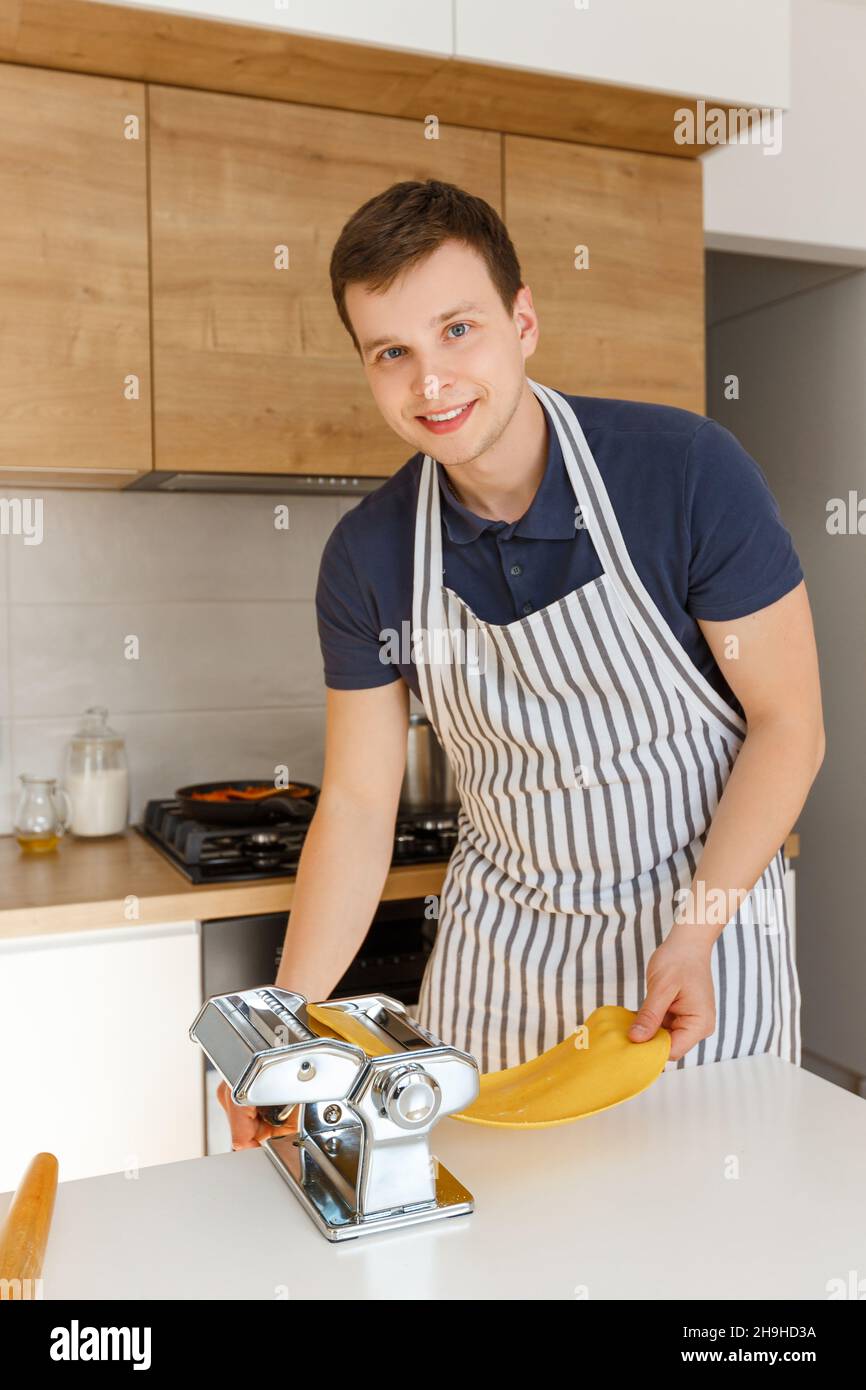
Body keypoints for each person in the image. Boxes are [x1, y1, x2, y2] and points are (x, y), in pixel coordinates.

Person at [220, 179, 825, 1149]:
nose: (430, 382)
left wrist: (697, 931)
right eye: (392, 353)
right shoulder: (368, 555)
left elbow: (787, 723)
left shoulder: (683, 474)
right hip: (498, 965)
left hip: (697, 949)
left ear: (523, 319)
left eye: (457, 330)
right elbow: (361, 802)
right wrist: (283, 1024)